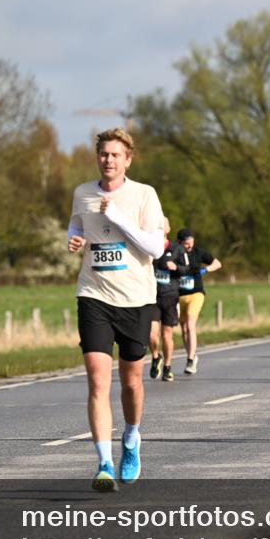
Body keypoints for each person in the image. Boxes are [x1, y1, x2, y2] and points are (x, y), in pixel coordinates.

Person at [68, 128, 166, 491]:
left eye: (115, 155)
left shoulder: (143, 195)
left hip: (136, 299)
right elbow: (77, 223)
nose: (108, 160)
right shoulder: (83, 193)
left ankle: (130, 437)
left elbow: (155, 248)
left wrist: (122, 219)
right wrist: (72, 239)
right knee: (97, 379)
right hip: (93, 295)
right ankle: (104, 463)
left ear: (128, 159)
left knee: (131, 380)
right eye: (103, 154)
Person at [171, 228, 222, 375]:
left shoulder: (199, 252)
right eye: (187, 244)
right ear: (179, 242)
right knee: (184, 329)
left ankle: (190, 359)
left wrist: (206, 270)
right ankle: (192, 355)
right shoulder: (174, 253)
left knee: (190, 325)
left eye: (191, 243)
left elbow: (218, 263)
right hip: (178, 295)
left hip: (196, 294)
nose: (190, 246)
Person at [149, 218, 179, 382]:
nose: (160, 226)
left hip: (170, 296)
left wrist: (176, 268)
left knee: (167, 334)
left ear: (168, 228)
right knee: (152, 335)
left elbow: (187, 269)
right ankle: (155, 357)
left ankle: (167, 367)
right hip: (152, 296)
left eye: (163, 224)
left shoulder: (176, 248)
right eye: (158, 223)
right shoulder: (149, 247)